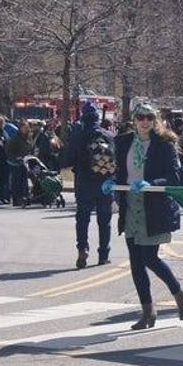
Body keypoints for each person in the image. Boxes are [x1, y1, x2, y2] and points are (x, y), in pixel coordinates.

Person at [102, 103, 183, 329]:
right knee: (135, 260)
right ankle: (147, 311)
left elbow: (174, 178)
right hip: (131, 204)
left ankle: (179, 292)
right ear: (134, 120)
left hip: (153, 204)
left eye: (149, 118)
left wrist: (151, 184)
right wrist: (113, 182)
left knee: (149, 257)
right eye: (141, 117)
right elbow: (120, 171)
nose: (144, 122)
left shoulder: (165, 144)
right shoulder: (123, 142)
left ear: (155, 121)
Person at [62, 102, 115, 268]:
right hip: (105, 183)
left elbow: (67, 160)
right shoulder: (108, 135)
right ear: (97, 117)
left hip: (84, 182)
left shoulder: (77, 136)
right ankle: (104, 254)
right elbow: (116, 160)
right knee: (104, 220)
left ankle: (82, 248)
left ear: (82, 116)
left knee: (83, 218)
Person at [4, 121, 35, 207]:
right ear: (20, 128)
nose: (26, 129)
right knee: (16, 181)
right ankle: (16, 199)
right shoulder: (15, 138)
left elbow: (30, 147)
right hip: (15, 163)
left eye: (27, 127)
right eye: (24, 128)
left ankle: (25, 197)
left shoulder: (28, 137)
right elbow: (8, 150)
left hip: (25, 162)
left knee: (24, 181)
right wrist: (15, 157)